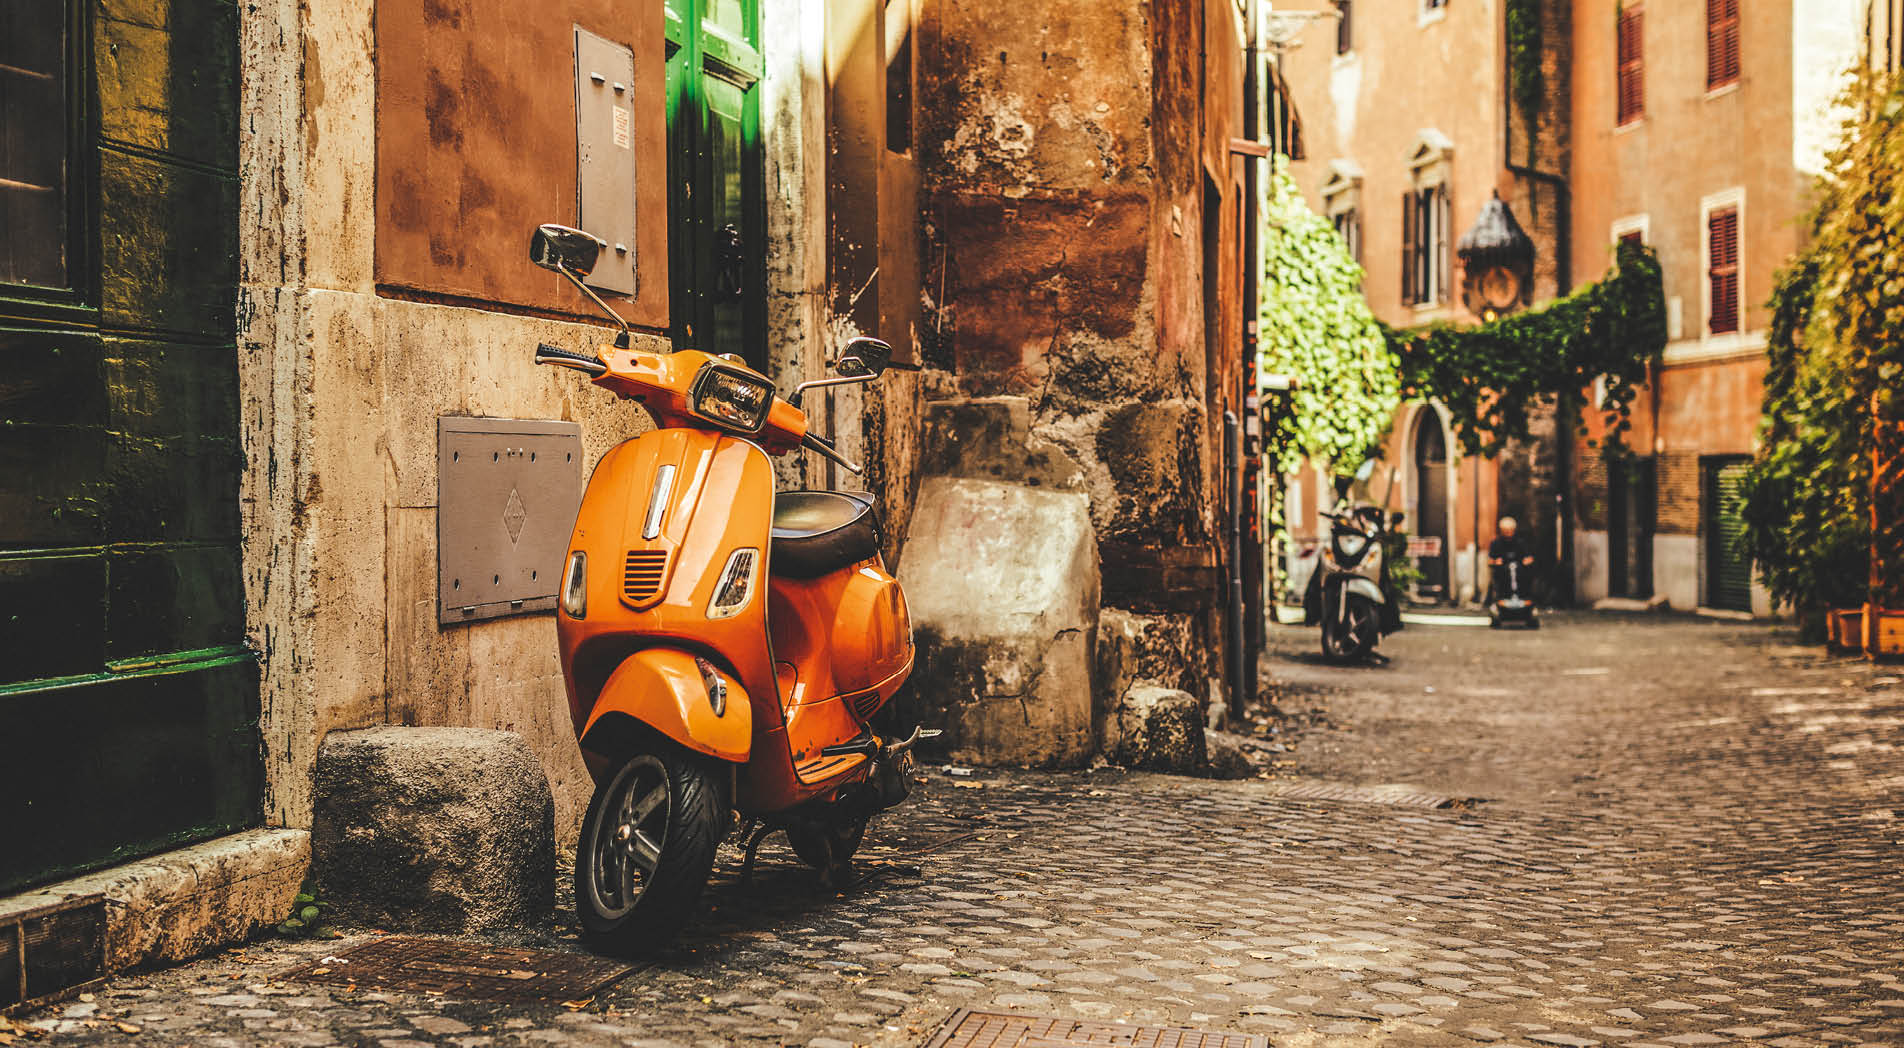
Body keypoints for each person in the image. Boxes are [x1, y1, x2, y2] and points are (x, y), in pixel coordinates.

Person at [1488, 516, 1536, 601]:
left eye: (1510, 531)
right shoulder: (1495, 543)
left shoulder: (1520, 542)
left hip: (1519, 571)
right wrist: (1496, 562)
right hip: (1502, 573)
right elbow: (1490, 561)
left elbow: (1530, 558)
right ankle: (1501, 599)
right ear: (1501, 531)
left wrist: (1526, 561)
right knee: (1500, 578)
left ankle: (1524, 598)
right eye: (1505, 531)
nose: (1508, 534)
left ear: (1514, 530)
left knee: (1525, 576)